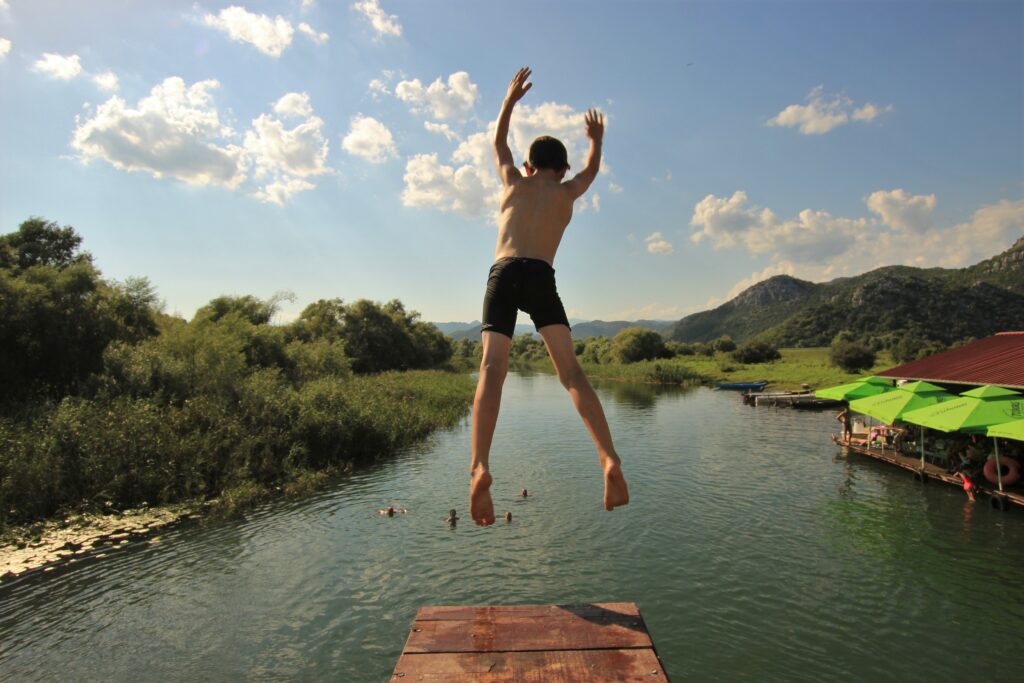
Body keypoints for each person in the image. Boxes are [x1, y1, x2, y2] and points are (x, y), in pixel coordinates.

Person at [469, 67, 630, 526]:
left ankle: (480, 466)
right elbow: (592, 170)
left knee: (492, 370)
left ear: (527, 167)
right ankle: (607, 458)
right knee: (573, 374)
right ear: (561, 170)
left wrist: (508, 101)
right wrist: (596, 140)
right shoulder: (567, 192)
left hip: (504, 273)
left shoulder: (513, 183)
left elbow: (497, 143)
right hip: (542, 277)